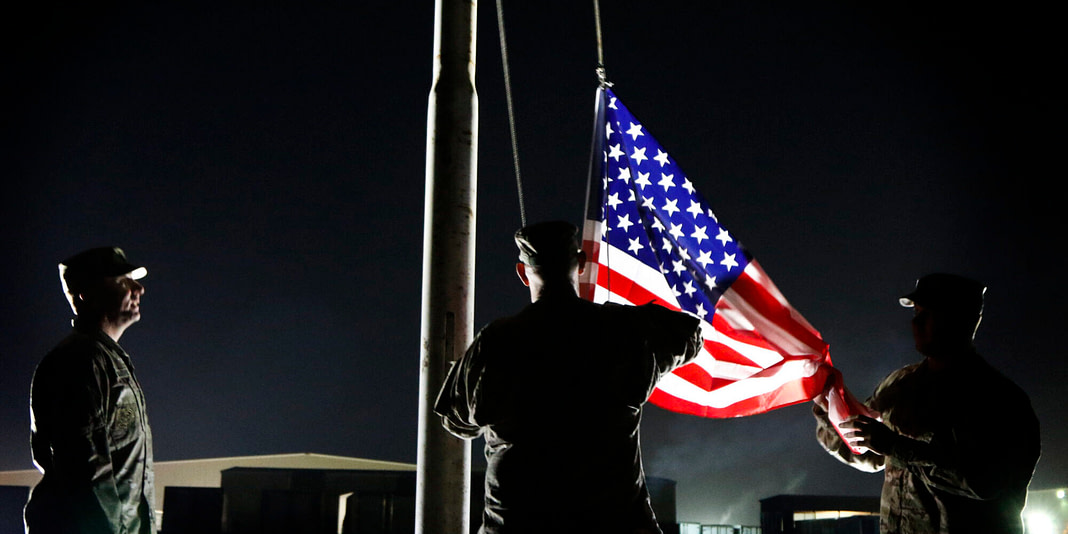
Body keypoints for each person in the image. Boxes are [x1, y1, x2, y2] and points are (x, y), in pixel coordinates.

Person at [434, 220, 703, 534]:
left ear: (523, 273)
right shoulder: (621, 332)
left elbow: (456, 420)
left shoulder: (497, 341)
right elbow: (689, 334)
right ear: (581, 264)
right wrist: (623, 317)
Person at [813, 273, 1040, 534]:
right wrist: (826, 402)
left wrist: (895, 445)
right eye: (916, 313)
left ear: (963, 321)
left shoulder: (998, 399)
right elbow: (866, 451)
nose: (916, 323)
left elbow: (983, 480)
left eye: (929, 314)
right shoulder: (898, 387)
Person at [24, 247, 156, 534]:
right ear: (87, 296)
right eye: (123, 281)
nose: (139, 289)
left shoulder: (106, 359)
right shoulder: (80, 362)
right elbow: (86, 472)